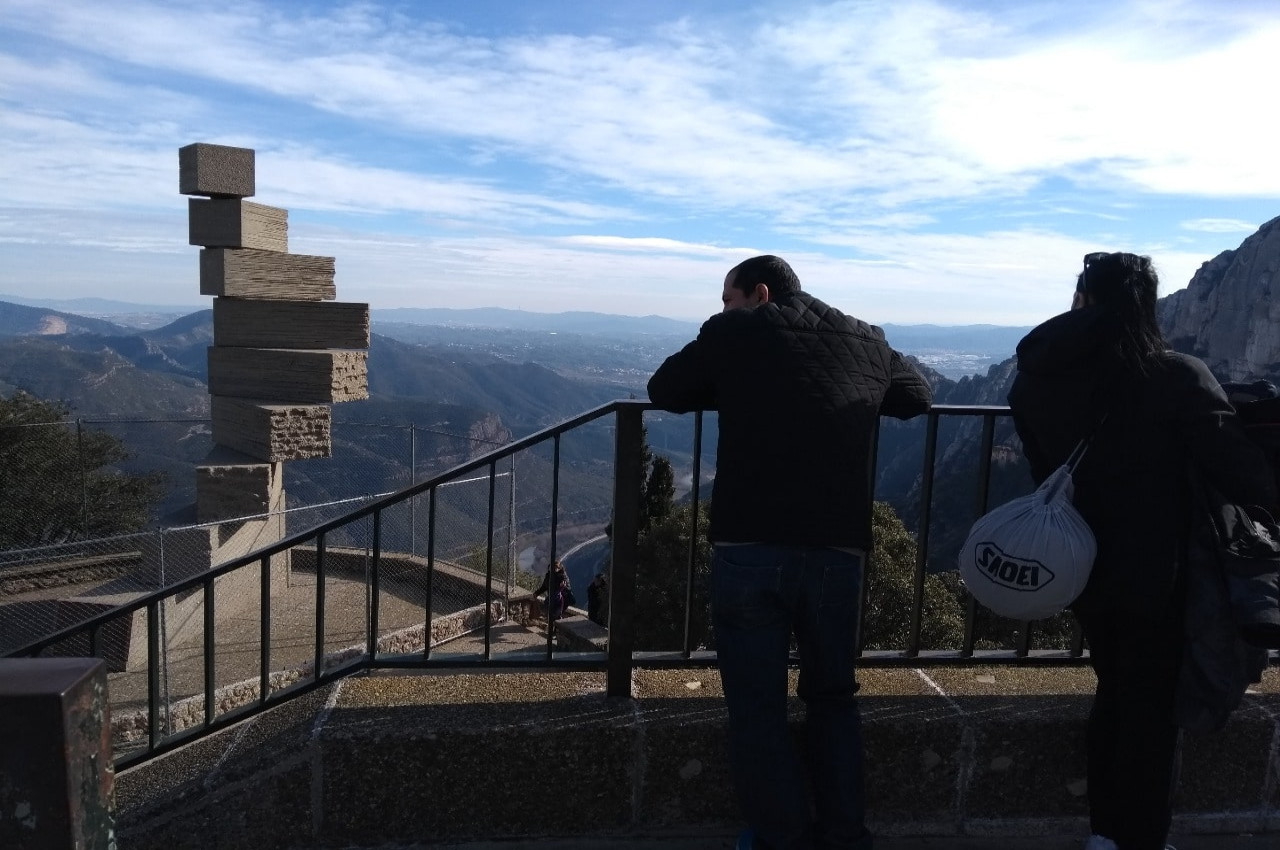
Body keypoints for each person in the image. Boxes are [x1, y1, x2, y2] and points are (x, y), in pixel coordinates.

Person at [647, 255, 932, 850]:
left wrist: (739, 378)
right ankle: (845, 835)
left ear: (760, 293)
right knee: (833, 697)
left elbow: (664, 388)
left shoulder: (734, 333)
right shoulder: (867, 337)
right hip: (838, 548)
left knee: (757, 705)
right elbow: (916, 396)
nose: (724, 310)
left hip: (750, 542)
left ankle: (780, 837)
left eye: (728, 299)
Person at [1007, 251, 1277, 850]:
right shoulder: (1176, 376)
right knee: (1152, 709)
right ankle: (1139, 837)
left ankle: (1106, 833)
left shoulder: (1036, 378)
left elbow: (1043, 463)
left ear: (1083, 299)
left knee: (1114, 689)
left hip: (1077, 563)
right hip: (1161, 572)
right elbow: (1240, 473)